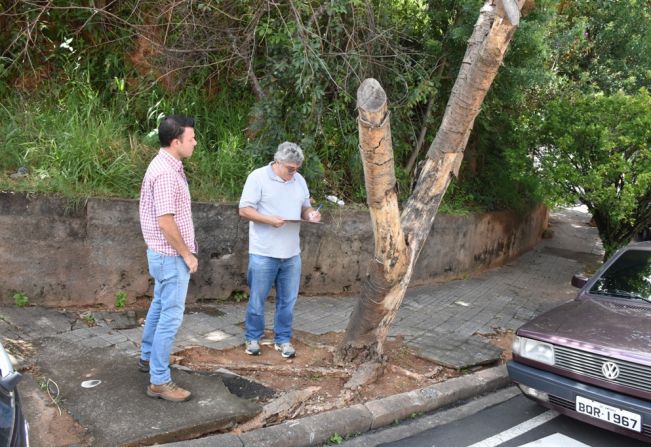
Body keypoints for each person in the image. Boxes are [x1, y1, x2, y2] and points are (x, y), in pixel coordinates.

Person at [239, 142, 321, 358]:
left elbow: (305, 207)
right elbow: (244, 209)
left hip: (291, 252)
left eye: (297, 169)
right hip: (264, 251)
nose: (294, 173)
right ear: (278, 162)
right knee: (258, 299)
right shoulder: (257, 177)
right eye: (290, 169)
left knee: (288, 300)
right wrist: (269, 220)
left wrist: (311, 214)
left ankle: (283, 339)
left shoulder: (299, 180)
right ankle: (252, 337)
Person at [138, 115, 198, 402]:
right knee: (170, 318)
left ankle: (148, 357)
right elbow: (165, 221)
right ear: (176, 142)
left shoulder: (168, 164)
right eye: (191, 139)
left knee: (160, 306)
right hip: (171, 256)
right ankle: (159, 381)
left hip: (163, 255)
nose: (195, 142)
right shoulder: (165, 173)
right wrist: (187, 254)